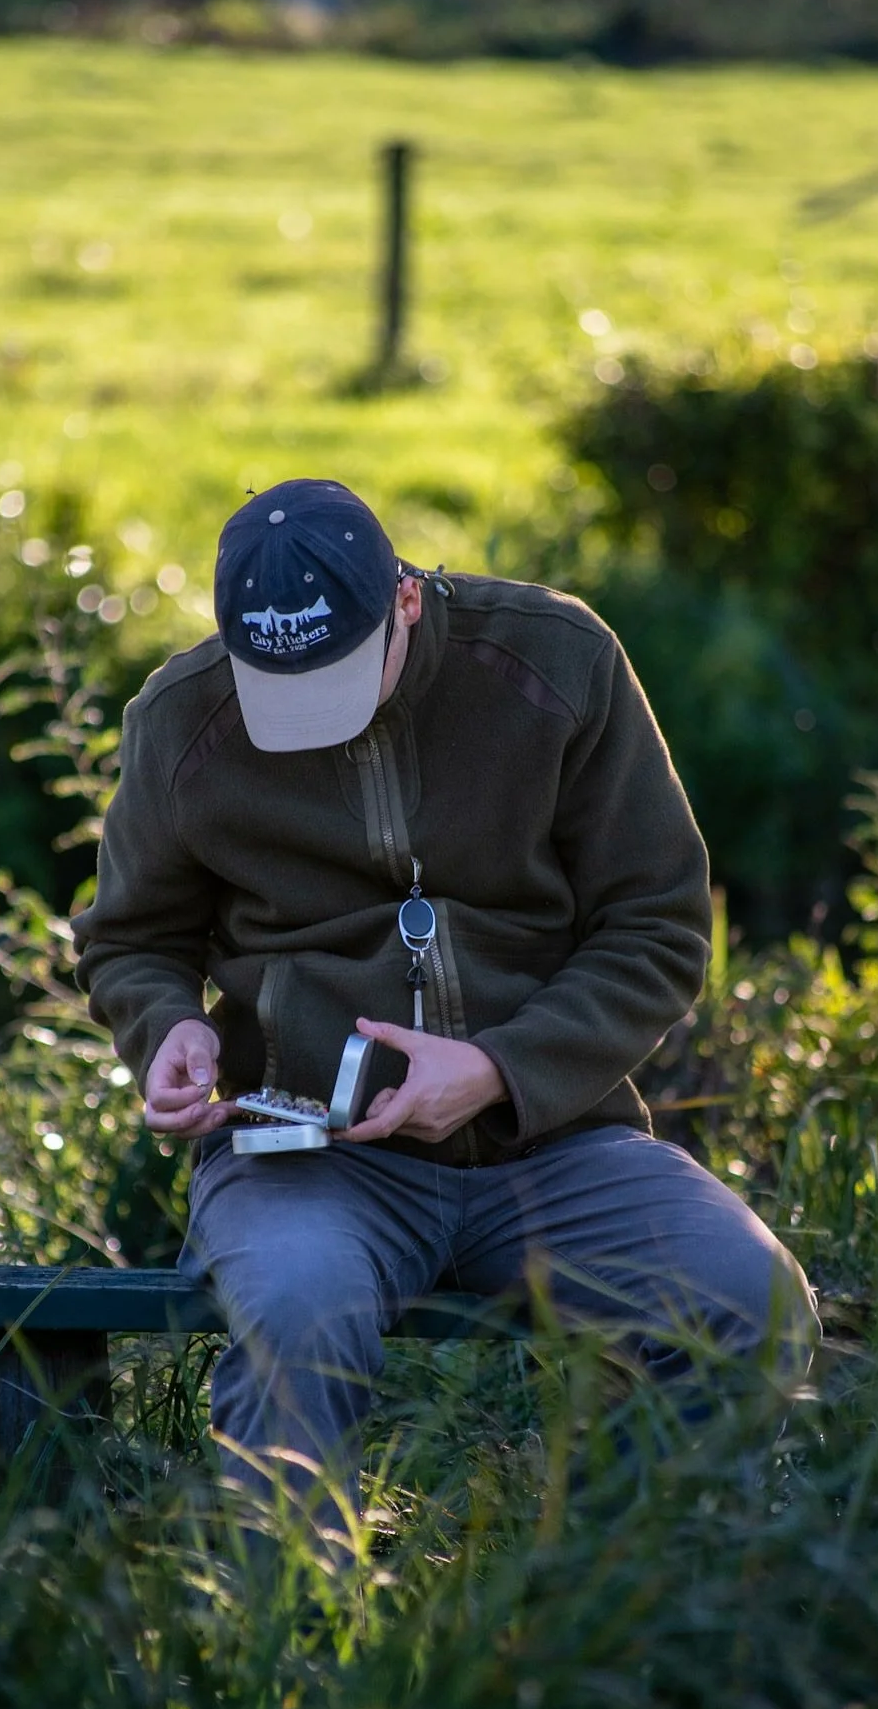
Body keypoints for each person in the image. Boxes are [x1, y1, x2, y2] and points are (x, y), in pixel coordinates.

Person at [72, 478, 817, 1531]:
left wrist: (503, 1069)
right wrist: (168, 1029)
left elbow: (657, 924)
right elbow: (131, 941)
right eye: (279, 688)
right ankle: (285, 1626)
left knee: (752, 1299)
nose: (309, 716)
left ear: (408, 601)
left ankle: (615, 1593)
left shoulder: (558, 660)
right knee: (295, 1312)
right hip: (309, 1167)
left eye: (337, 677)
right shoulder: (180, 718)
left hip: (554, 1146)